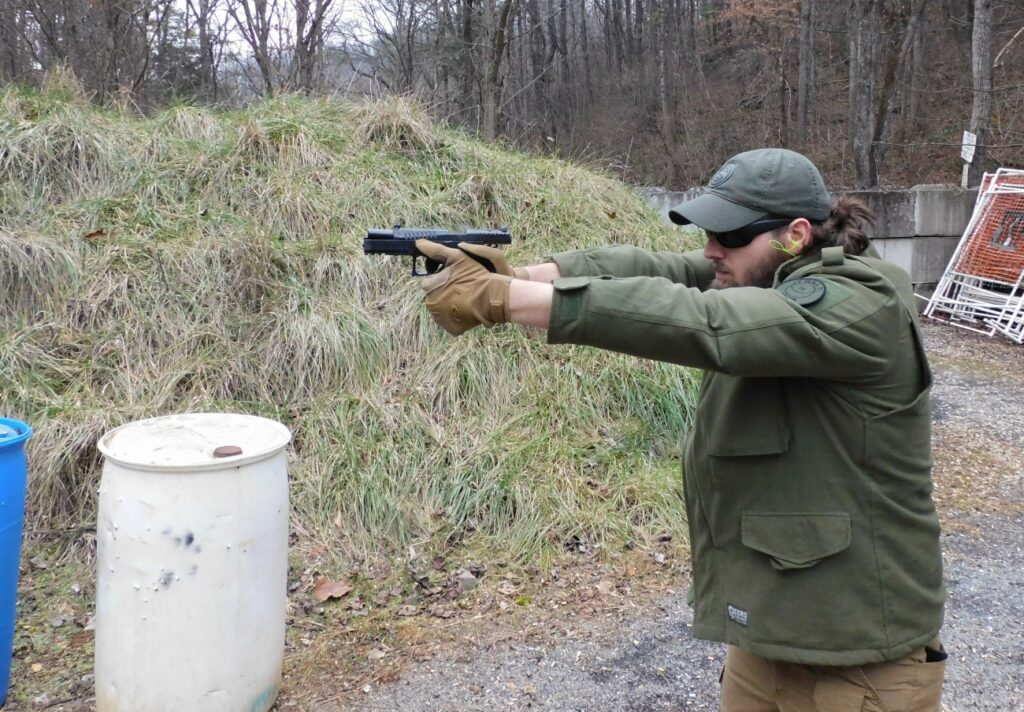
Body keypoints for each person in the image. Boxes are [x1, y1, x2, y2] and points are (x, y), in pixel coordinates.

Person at [415, 148, 947, 711]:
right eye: (708, 232)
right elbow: (654, 269)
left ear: (796, 233)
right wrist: (521, 275)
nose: (711, 250)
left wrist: (502, 301)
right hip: (766, 647)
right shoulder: (764, 273)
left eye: (730, 234)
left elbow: (704, 323)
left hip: (861, 664)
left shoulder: (863, 303)